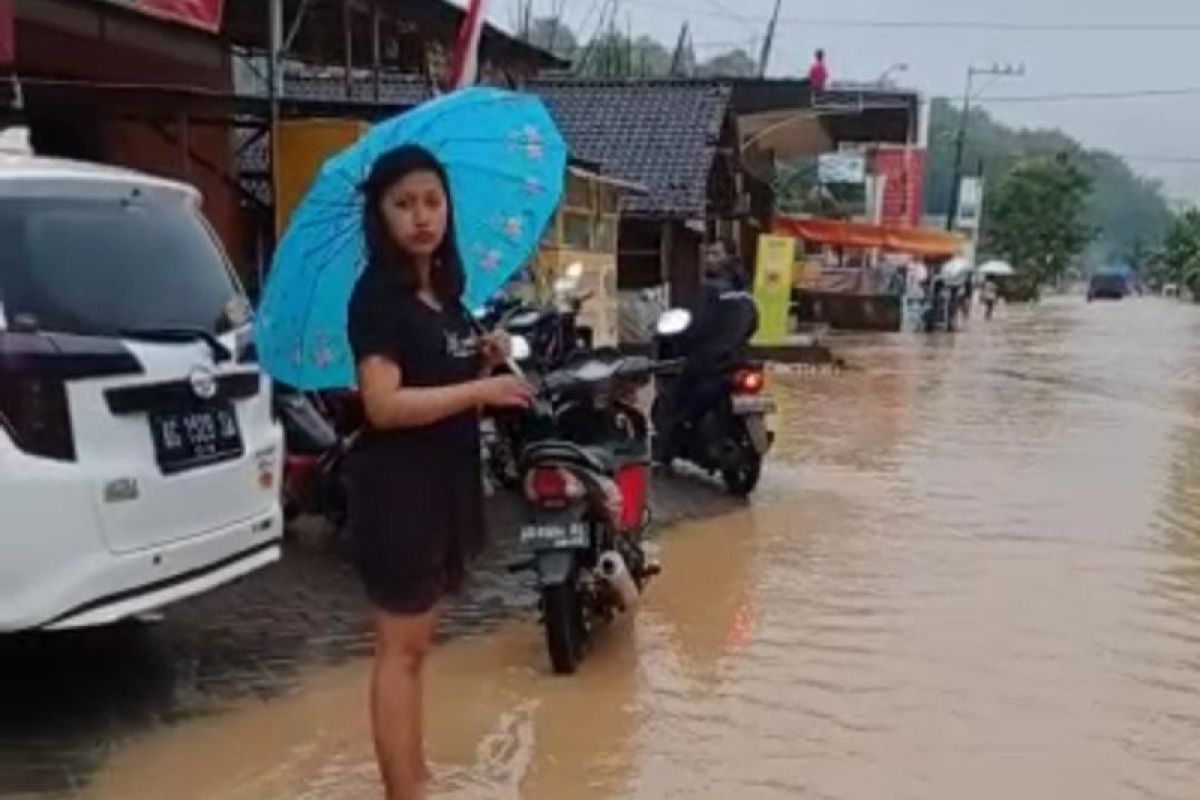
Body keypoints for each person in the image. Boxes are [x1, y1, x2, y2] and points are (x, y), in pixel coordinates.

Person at [346, 145, 532, 800]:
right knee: (399, 650)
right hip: (399, 491)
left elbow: (441, 383)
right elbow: (384, 405)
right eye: (403, 204)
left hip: (444, 486)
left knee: (418, 647)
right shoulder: (378, 299)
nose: (421, 217)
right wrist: (480, 395)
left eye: (432, 201)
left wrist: (484, 362)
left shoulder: (445, 297)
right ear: (381, 215)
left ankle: (416, 776)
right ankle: (403, 791)